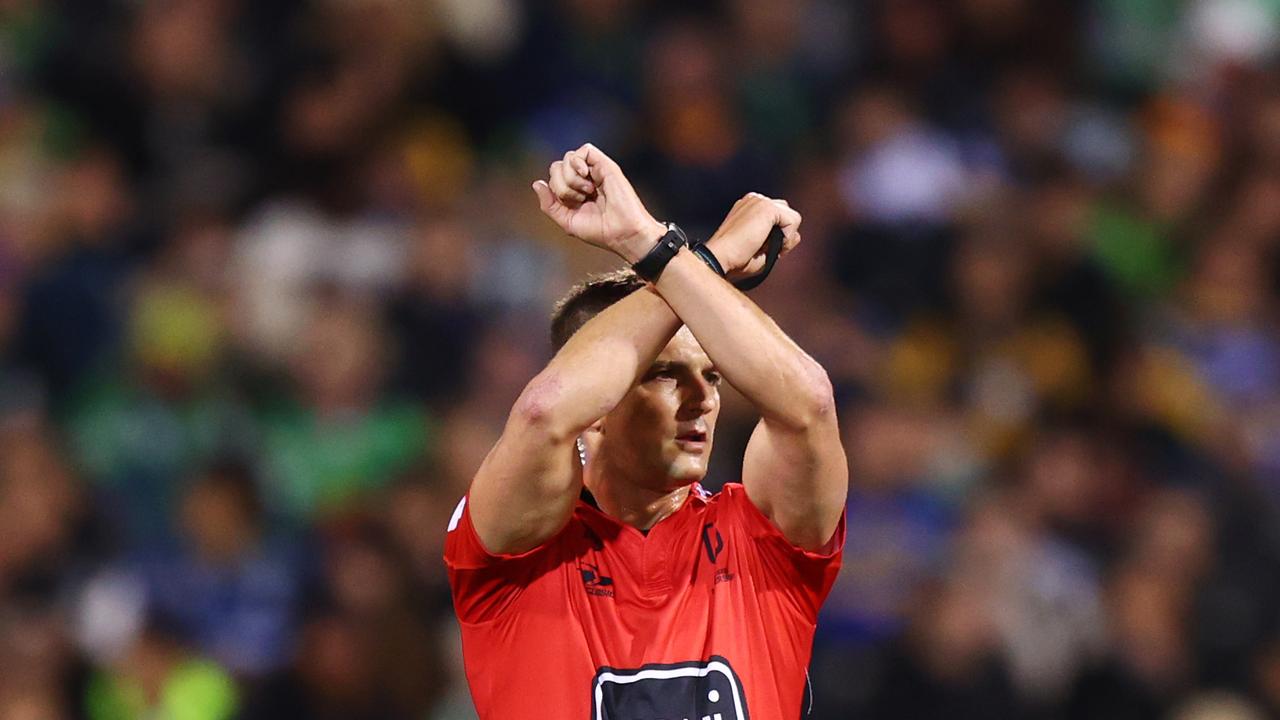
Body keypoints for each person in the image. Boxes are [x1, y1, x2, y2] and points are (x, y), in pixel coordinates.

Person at [444, 143, 848, 719]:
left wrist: (651, 247)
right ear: (601, 404)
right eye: (664, 375)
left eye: (712, 374)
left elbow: (808, 406)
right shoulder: (519, 549)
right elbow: (547, 410)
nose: (703, 398)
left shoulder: (763, 541)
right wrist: (706, 255)